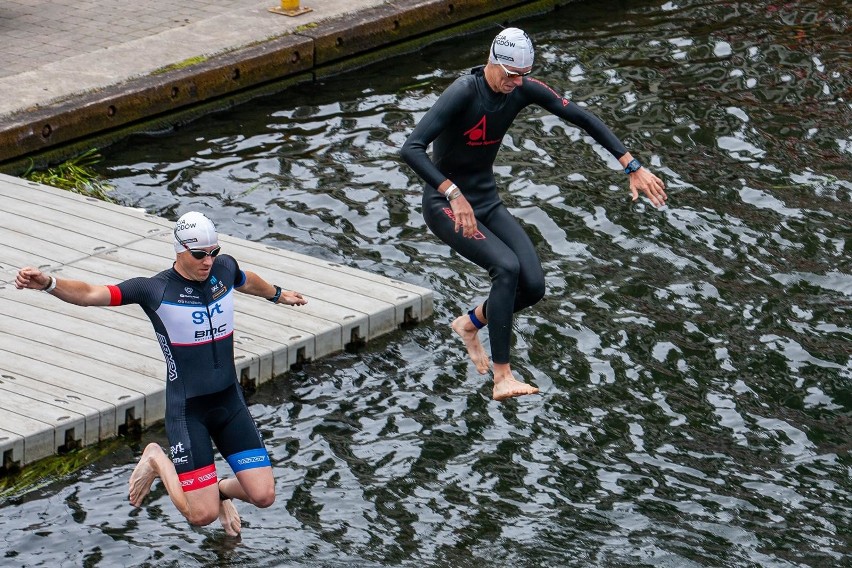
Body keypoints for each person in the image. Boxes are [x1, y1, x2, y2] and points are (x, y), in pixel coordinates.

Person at [400, 27, 667, 401]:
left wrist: (632, 166)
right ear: (493, 61)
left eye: (522, 75)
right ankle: (502, 377)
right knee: (506, 268)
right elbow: (410, 148)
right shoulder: (464, 91)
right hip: (446, 206)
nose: (516, 82)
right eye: (510, 74)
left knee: (533, 285)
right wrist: (452, 192)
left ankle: (469, 323)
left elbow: (582, 117)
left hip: (486, 201)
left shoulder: (522, 88)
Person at [14, 211, 307, 536]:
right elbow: (90, 294)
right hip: (189, 411)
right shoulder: (154, 290)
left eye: (214, 252)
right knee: (202, 516)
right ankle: (155, 459)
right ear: (180, 249)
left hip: (229, 401)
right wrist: (49, 284)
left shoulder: (224, 269)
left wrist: (276, 294)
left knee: (264, 495)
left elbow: (245, 278)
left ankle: (219, 490)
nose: (208, 261)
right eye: (199, 254)